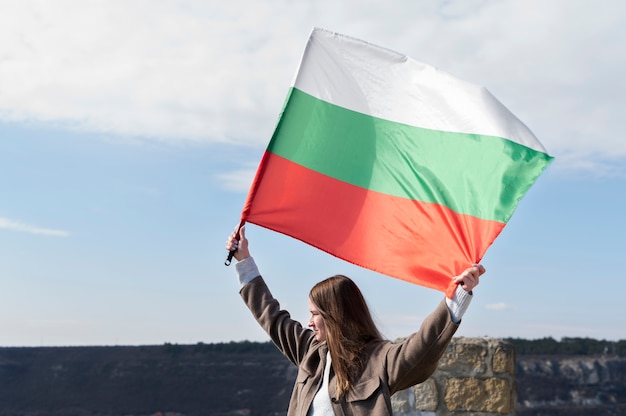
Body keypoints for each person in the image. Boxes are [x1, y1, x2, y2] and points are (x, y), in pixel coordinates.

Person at [226, 226, 484, 416]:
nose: (309, 322)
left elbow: (421, 348)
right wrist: (244, 261)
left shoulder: (379, 360)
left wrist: (456, 298)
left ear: (335, 316)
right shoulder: (311, 352)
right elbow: (271, 317)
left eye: (315, 314)